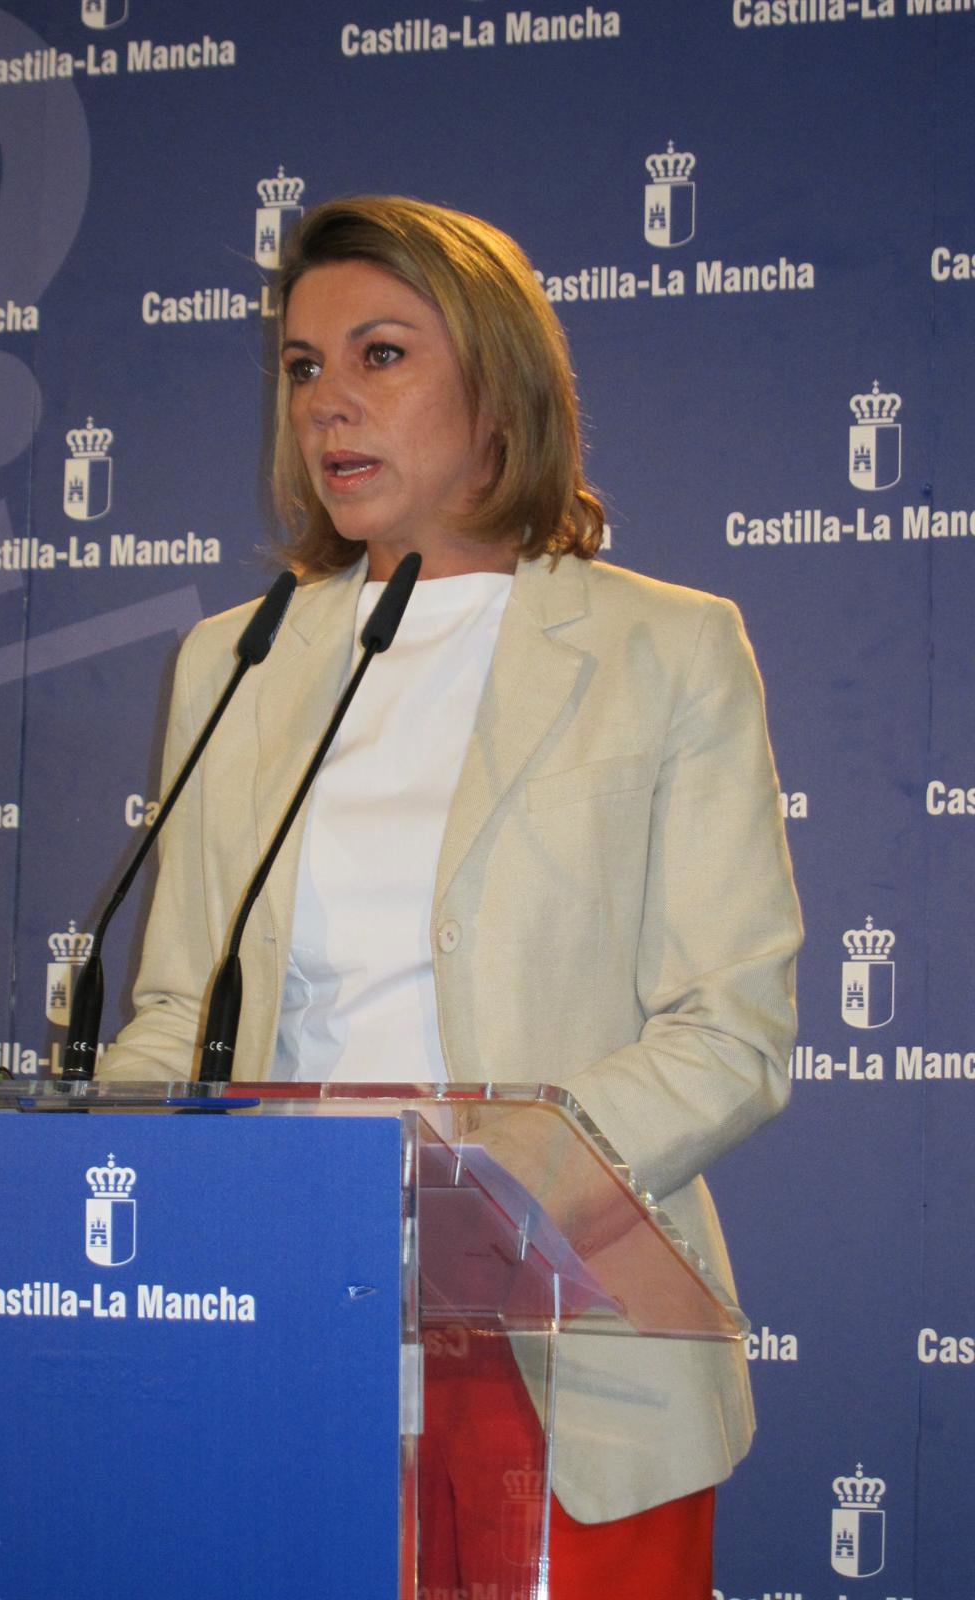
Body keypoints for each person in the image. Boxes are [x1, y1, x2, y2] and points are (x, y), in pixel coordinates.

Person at [101, 195, 803, 1596]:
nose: (327, 403)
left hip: (569, 1357)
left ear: (498, 382)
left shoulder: (668, 649)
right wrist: (73, 1173)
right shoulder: (233, 663)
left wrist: (475, 1200)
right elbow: (180, 1008)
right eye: (303, 367)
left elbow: (729, 1030)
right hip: (282, 1332)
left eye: (381, 355)